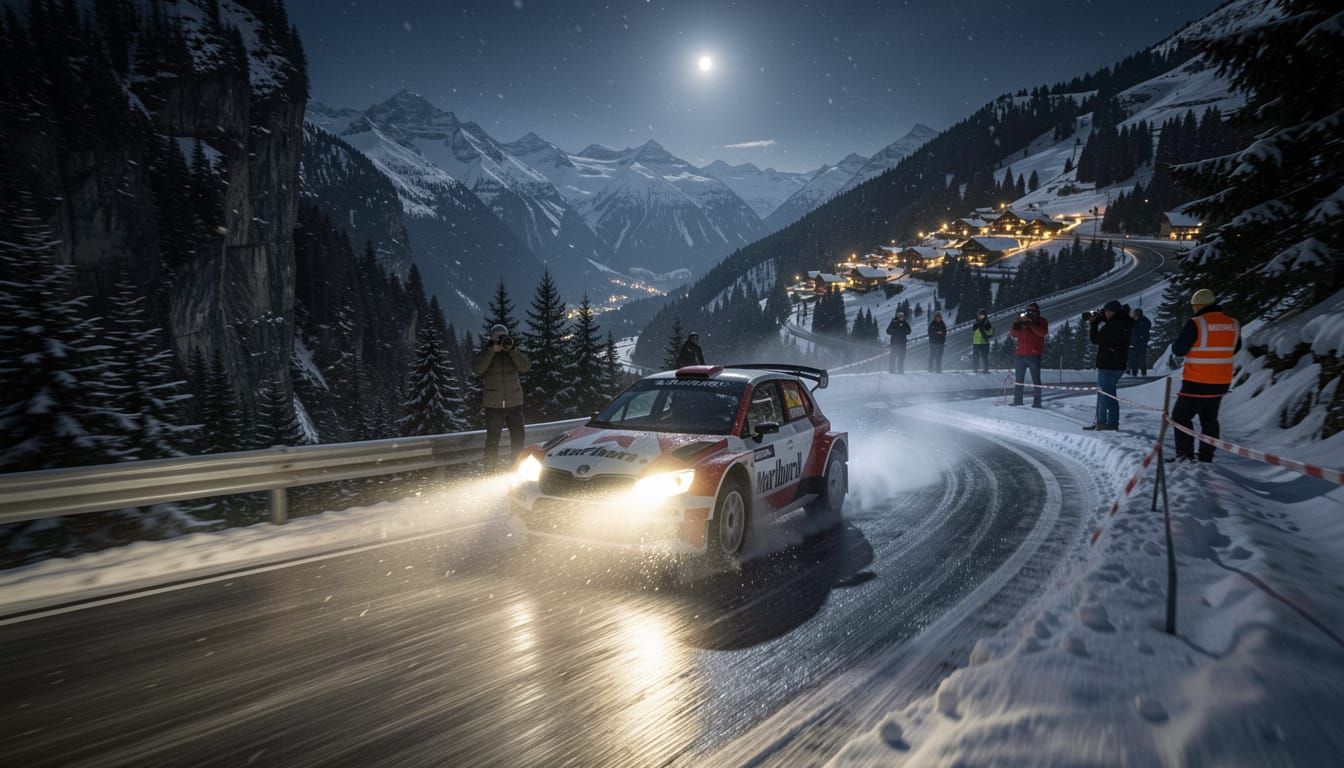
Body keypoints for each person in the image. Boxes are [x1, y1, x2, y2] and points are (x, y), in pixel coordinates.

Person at [1170, 289, 1241, 463]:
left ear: (1198, 306)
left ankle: (1185, 455)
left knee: (1180, 418)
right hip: (1221, 382)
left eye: (1194, 306)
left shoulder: (1196, 323)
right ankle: (1206, 456)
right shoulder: (1233, 323)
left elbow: (1178, 349)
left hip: (1196, 381)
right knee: (1209, 419)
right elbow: (1235, 348)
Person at [471, 324, 531, 472]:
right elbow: (478, 369)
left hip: (514, 404)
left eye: (502, 337)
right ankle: (490, 471)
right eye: (497, 337)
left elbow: (525, 367)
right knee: (492, 441)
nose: (500, 340)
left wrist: (512, 350)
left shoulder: (512, 352)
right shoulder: (486, 352)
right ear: (491, 338)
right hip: (493, 406)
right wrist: (492, 350)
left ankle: (516, 470)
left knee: (518, 439)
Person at [1084, 300, 1132, 431]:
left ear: (1112, 312)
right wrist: (1099, 319)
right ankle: (1101, 422)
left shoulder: (1115, 325)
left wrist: (1094, 324)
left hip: (1110, 365)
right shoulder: (1123, 322)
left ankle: (1111, 423)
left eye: (1106, 311)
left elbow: (1095, 339)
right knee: (1102, 395)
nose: (1104, 314)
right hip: (1115, 364)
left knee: (1107, 396)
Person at [1009, 302, 1049, 407]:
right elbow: (1014, 334)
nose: (1029, 313)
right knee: (1019, 380)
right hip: (1020, 355)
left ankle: (1037, 402)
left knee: (1036, 380)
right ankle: (1017, 401)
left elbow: (1042, 333)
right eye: (1028, 311)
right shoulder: (1023, 321)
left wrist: (1031, 323)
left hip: (1034, 355)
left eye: (1032, 311)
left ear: (1037, 312)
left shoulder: (1041, 321)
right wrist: (1016, 323)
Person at [1128, 308, 1152, 376]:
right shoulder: (1133, 320)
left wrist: (1144, 339)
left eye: (1137, 313)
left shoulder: (1144, 320)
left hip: (1142, 342)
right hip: (1133, 342)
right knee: (1133, 359)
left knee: (1142, 358)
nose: (1136, 314)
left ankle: (1143, 372)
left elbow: (1148, 327)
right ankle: (1134, 373)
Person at [970, 309, 994, 373]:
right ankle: (975, 370)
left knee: (984, 357)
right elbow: (974, 332)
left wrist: (983, 328)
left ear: (985, 316)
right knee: (975, 357)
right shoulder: (976, 324)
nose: (981, 317)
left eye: (982, 316)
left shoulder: (987, 323)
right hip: (976, 342)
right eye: (979, 315)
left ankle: (985, 370)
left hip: (984, 343)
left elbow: (990, 332)